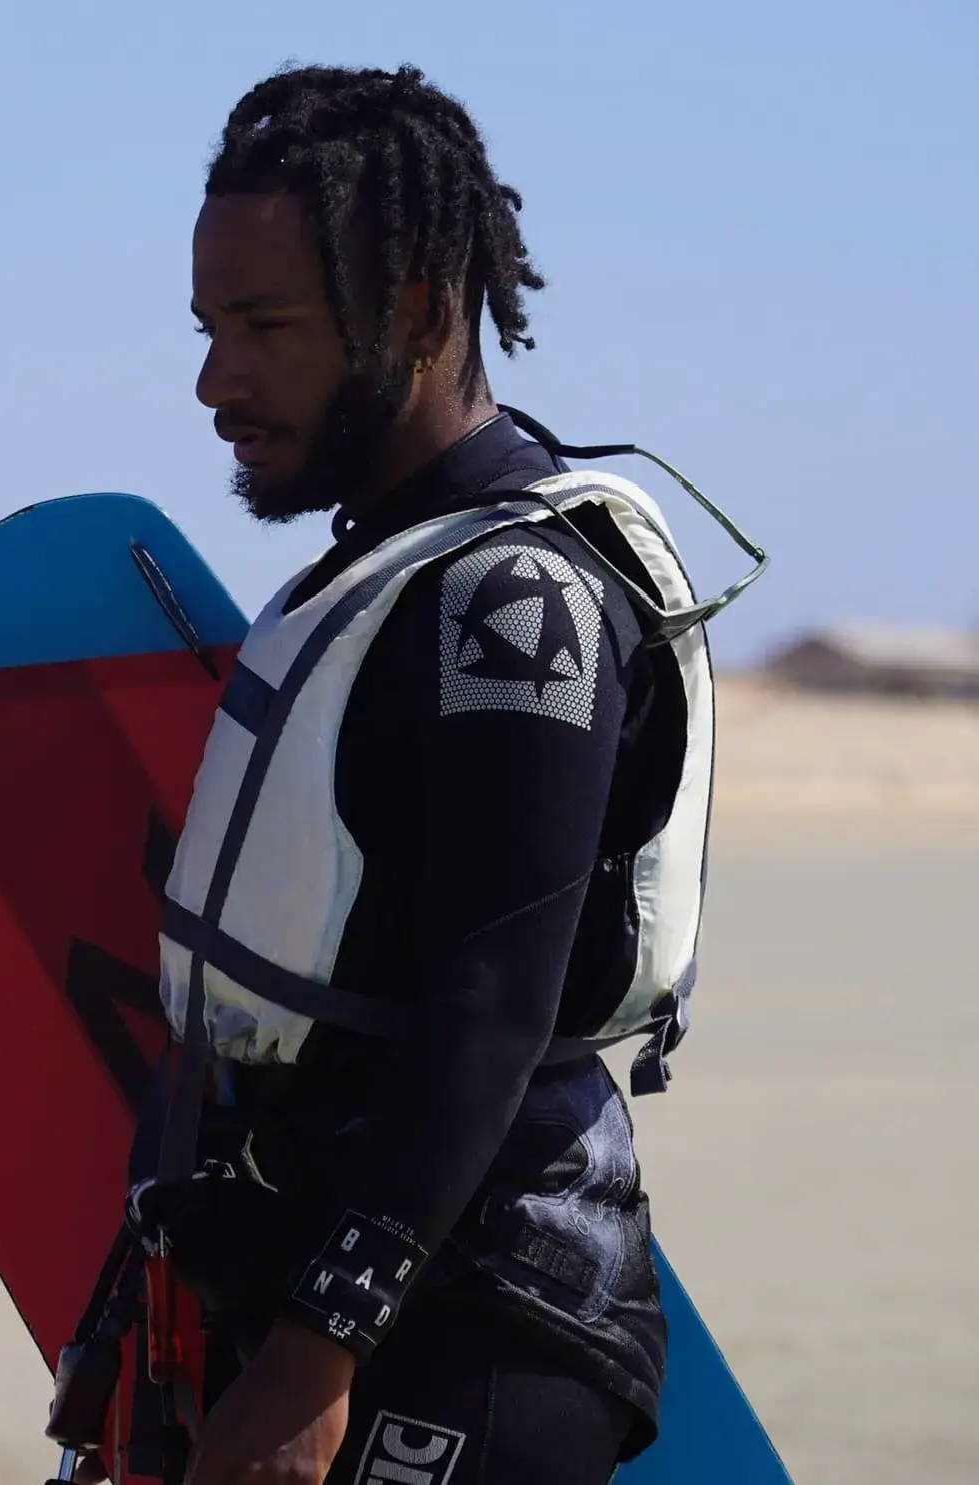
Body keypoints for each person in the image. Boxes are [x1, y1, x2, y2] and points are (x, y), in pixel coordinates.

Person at [73, 66, 747, 1485]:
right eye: (208, 329)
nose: (216, 382)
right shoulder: (383, 573)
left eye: (265, 329)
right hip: (341, 1298)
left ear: (425, 310)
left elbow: (490, 1007)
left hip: (472, 1328)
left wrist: (319, 1352)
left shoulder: (517, 602)